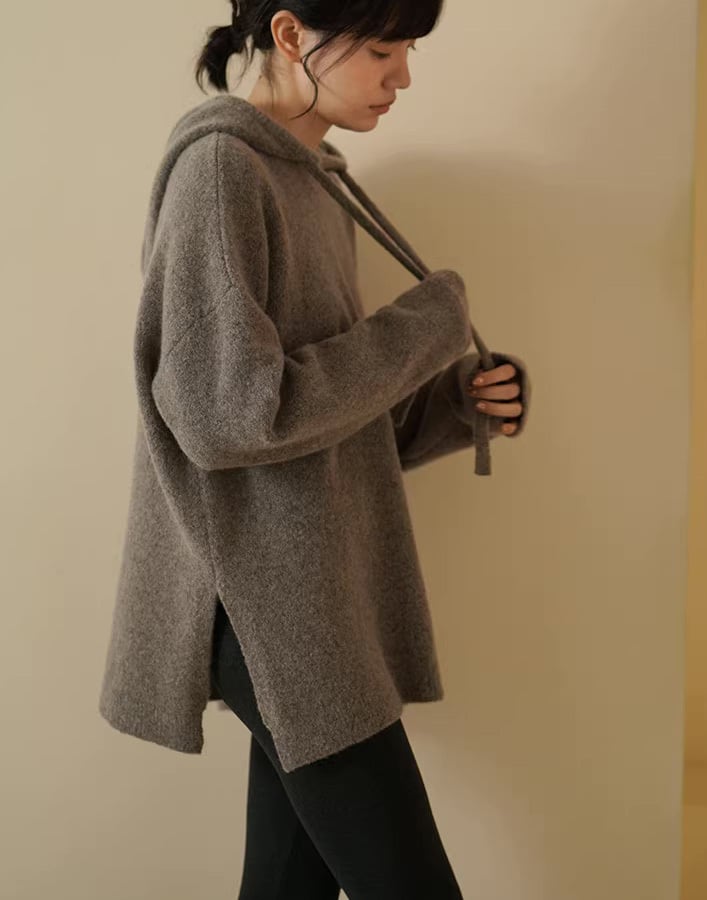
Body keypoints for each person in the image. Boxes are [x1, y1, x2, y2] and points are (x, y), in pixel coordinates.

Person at [98, 1, 530, 897]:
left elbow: (322, 431)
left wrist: (455, 403)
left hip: (310, 595)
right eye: (382, 49)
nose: (402, 75)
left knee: (285, 886)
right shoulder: (221, 170)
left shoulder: (318, 183)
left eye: (407, 49)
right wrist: (420, 331)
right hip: (264, 604)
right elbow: (226, 416)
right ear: (292, 34)